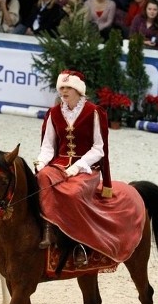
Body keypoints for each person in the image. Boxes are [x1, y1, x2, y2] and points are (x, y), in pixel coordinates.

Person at [35, 70, 136, 269]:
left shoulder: (93, 112)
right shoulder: (54, 113)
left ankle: (79, 243)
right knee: (43, 178)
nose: (63, 91)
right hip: (60, 164)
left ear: (78, 90)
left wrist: (78, 167)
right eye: (61, 88)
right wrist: (41, 163)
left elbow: (99, 148)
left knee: (73, 192)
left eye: (68, 88)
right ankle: (47, 228)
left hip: (87, 167)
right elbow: (48, 145)